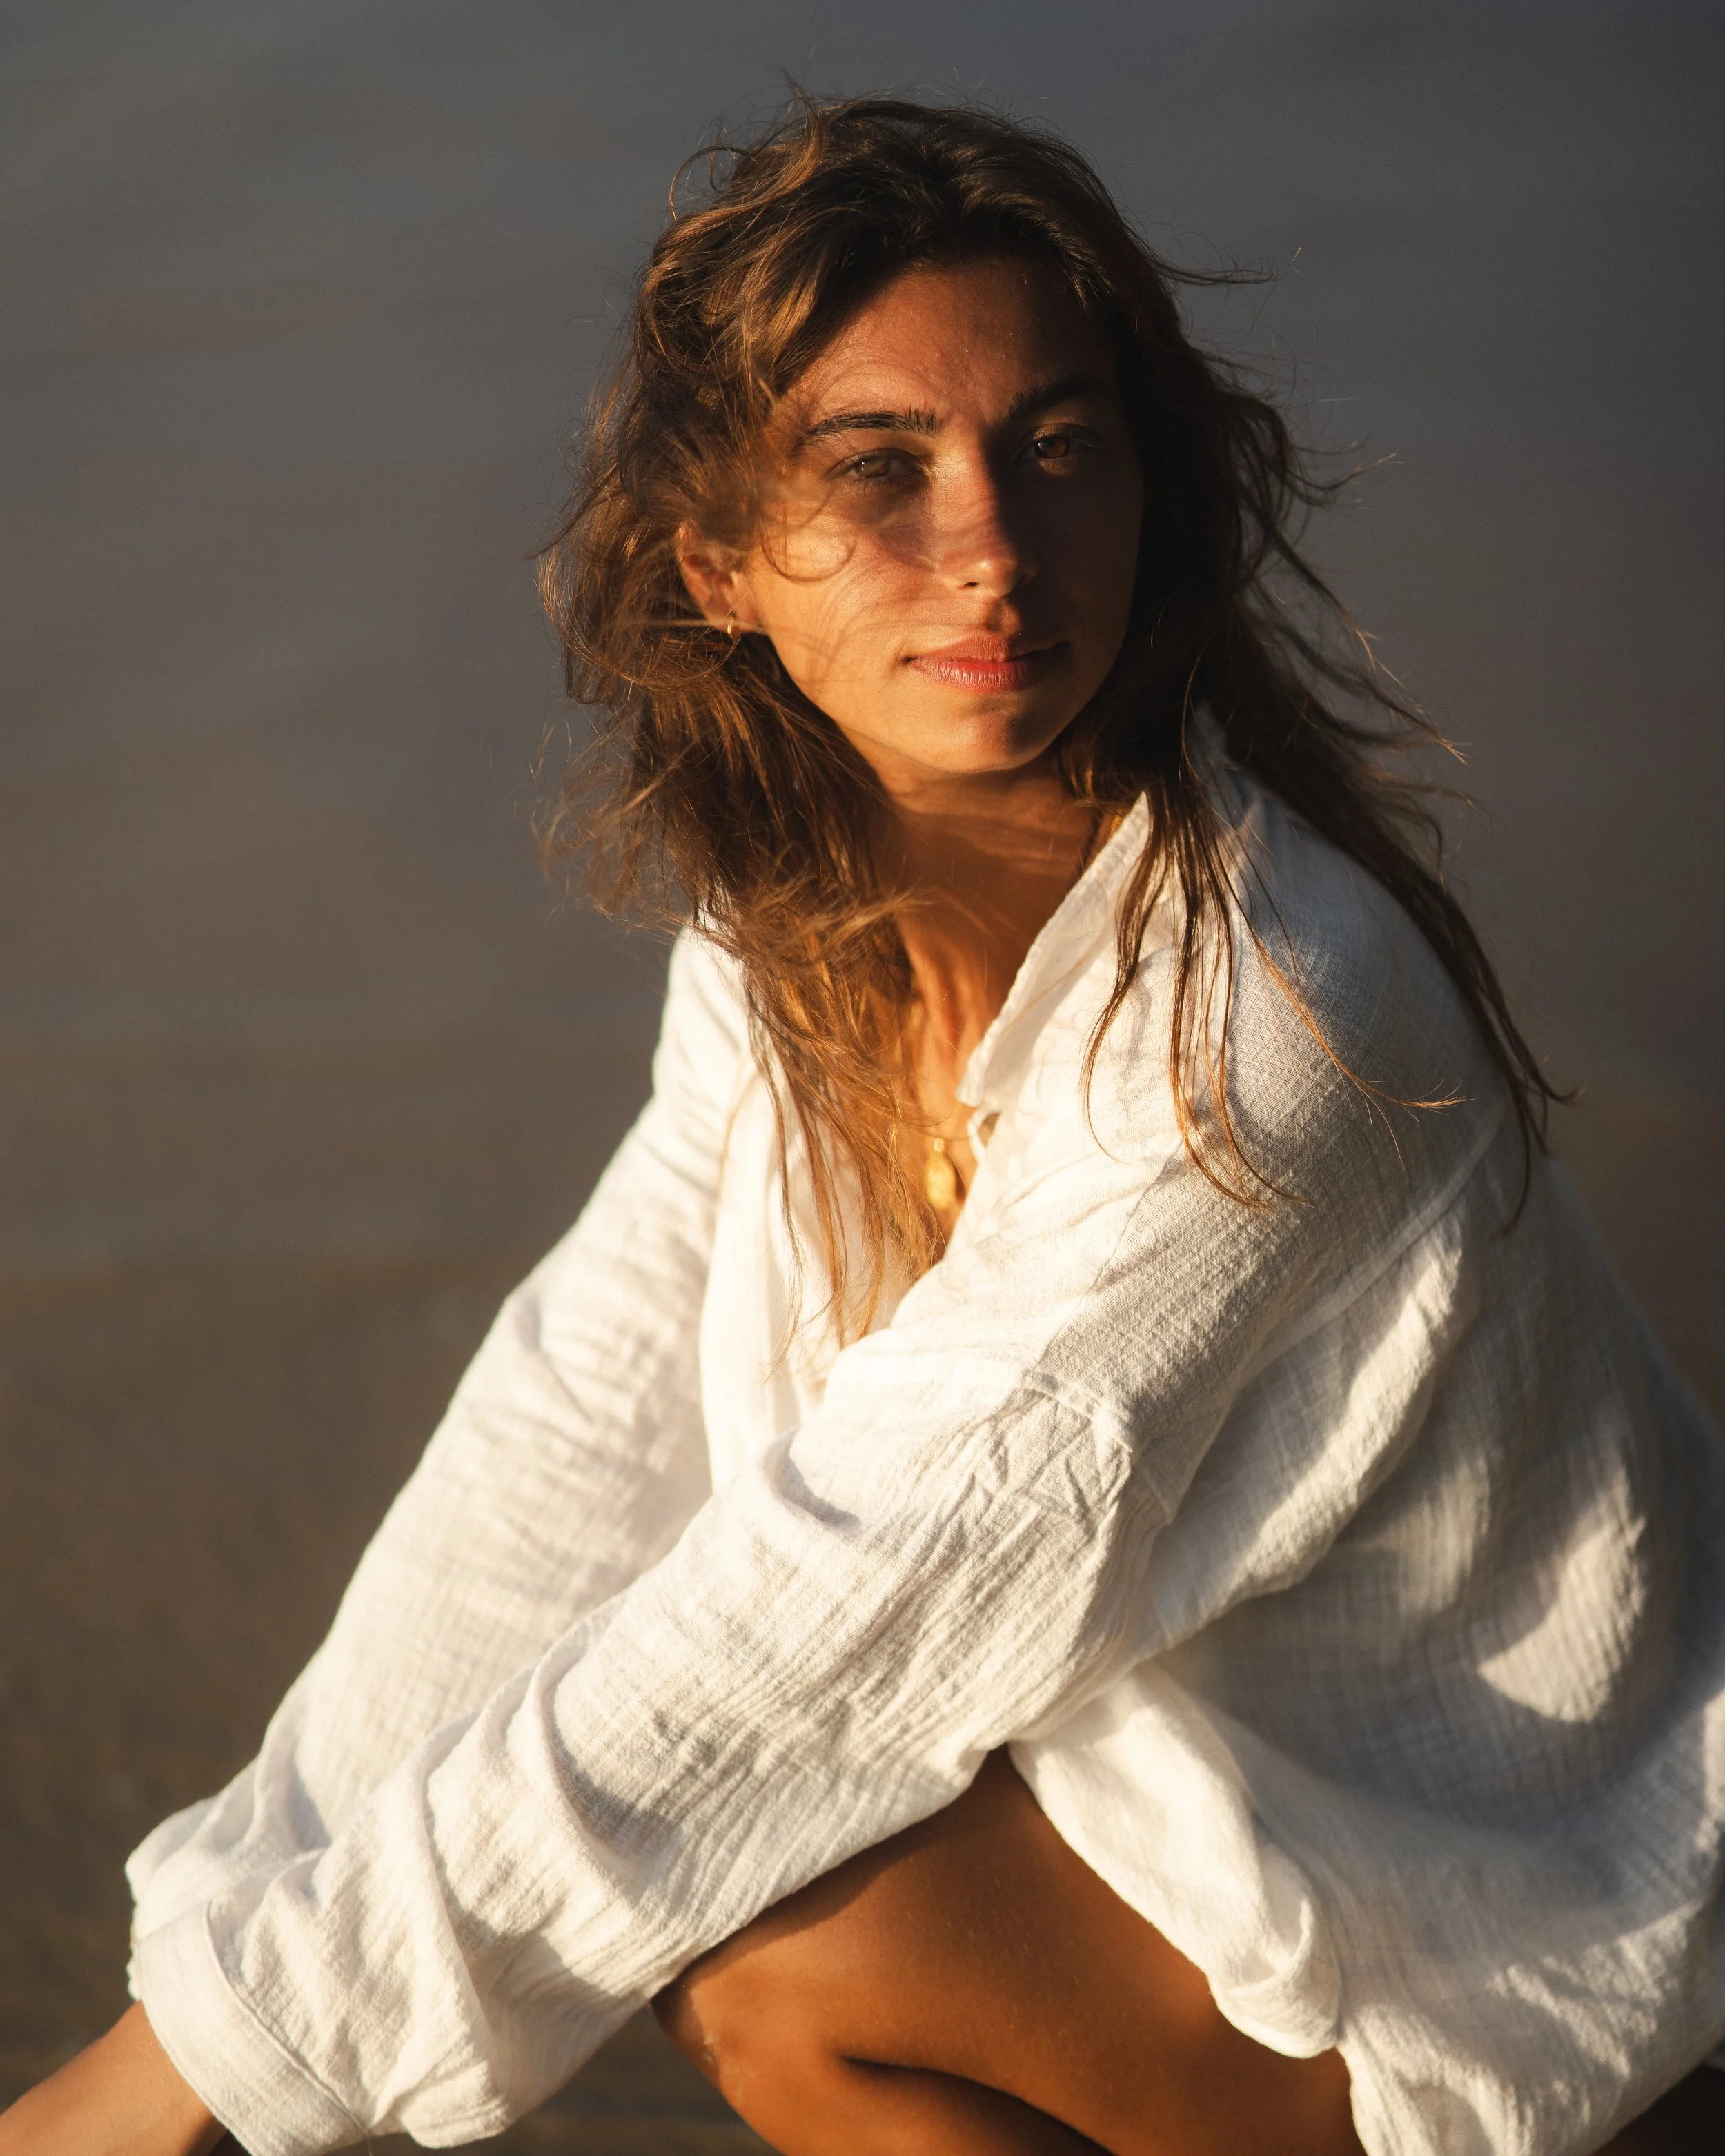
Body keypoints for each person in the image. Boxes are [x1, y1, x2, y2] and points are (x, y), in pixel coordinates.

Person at [3, 93, 1722, 2156]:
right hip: (1191, 1789)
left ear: (1146, 495)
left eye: (1055, 447)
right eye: (880, 469)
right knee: (699, 1856)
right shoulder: (792, 922)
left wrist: (205, 2070)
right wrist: (213, 1961)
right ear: (717, 561)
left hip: (1511, 1915)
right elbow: (582, 1424)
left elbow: (834, 1613)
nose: (992, 549)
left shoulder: (1257, 1029)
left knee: (782, 1940)